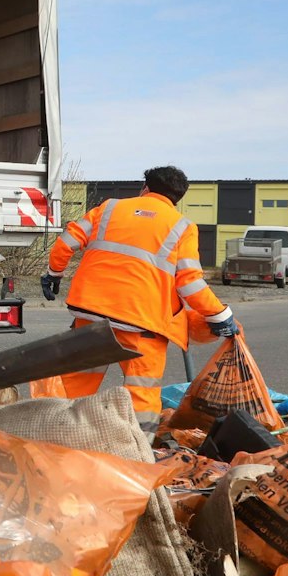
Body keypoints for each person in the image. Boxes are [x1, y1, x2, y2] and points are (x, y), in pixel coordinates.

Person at [39, 165, 237, 421]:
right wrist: (220, 315)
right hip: (142, 324)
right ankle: (138, 448)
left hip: (90, 313)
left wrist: (54, 273)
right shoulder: (182, 226)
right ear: (177, 198)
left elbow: (66, 242)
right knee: (141, 393)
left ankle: (54, 435)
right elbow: (190, 284)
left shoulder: (109, 208)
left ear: (145, 187)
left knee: (75, 383)